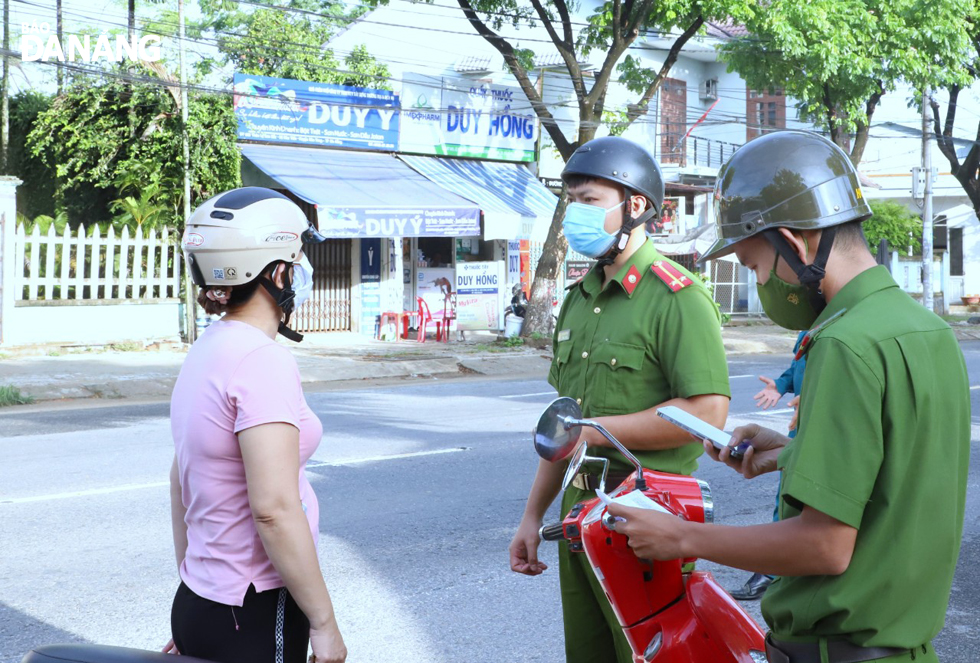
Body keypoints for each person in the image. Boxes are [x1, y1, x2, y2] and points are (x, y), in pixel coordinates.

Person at [606, 131, 970, 663]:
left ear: (793, 245)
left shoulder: (843, 343)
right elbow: (901, 475)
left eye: (754, 266)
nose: (759, 282)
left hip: (833, 651)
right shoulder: (926, 330)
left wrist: (682, 537)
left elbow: (824, 545)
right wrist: (793, 453)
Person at [508, 136, 731, 663]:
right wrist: (529, 517)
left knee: (653, 653)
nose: (575, 215)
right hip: (578, 510)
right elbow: (564, 427)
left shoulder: (677, 297)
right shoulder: (579, 299)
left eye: (589, 200)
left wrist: (596, 430)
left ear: (634, 207)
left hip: (649, 515)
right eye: (572, 202)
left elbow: (708, 414)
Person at [166, 188, 347, 663]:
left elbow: (179, 480)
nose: (303, 270)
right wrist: (325, 624)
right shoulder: (262, 361)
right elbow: (273, 509)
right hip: (255, 606)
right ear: (277, 271)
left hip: (201, 600)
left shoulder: (209, 347)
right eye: (298, 257)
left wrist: (199, 585)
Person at [732, 329, 807, 601]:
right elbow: (796, 368)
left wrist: (812, 400)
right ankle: (773, 571)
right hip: (799, 429)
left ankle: (784, 571)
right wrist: (779, 384)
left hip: (822, 427)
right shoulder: (811, 327)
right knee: (786, 499)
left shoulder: (841, 329)